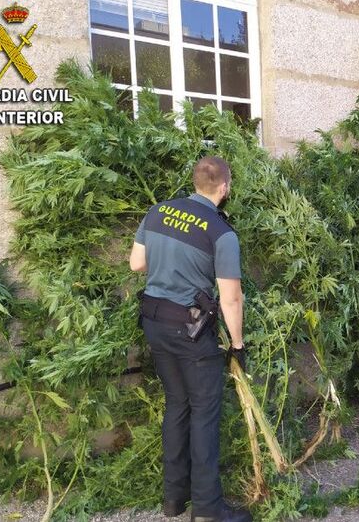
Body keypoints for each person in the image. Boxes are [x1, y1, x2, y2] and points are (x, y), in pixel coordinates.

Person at [129, 156, 251, 522]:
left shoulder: (158, 211)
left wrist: (171, 265)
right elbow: (230, 298)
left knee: (176, 405)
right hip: (191, 334)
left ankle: (173, 500)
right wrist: (238, 345)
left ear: (196, 182)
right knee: (203, 414)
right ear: (225, 188)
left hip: (154, 323)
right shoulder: (220, 232)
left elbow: (136, 263)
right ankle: (208, 509)